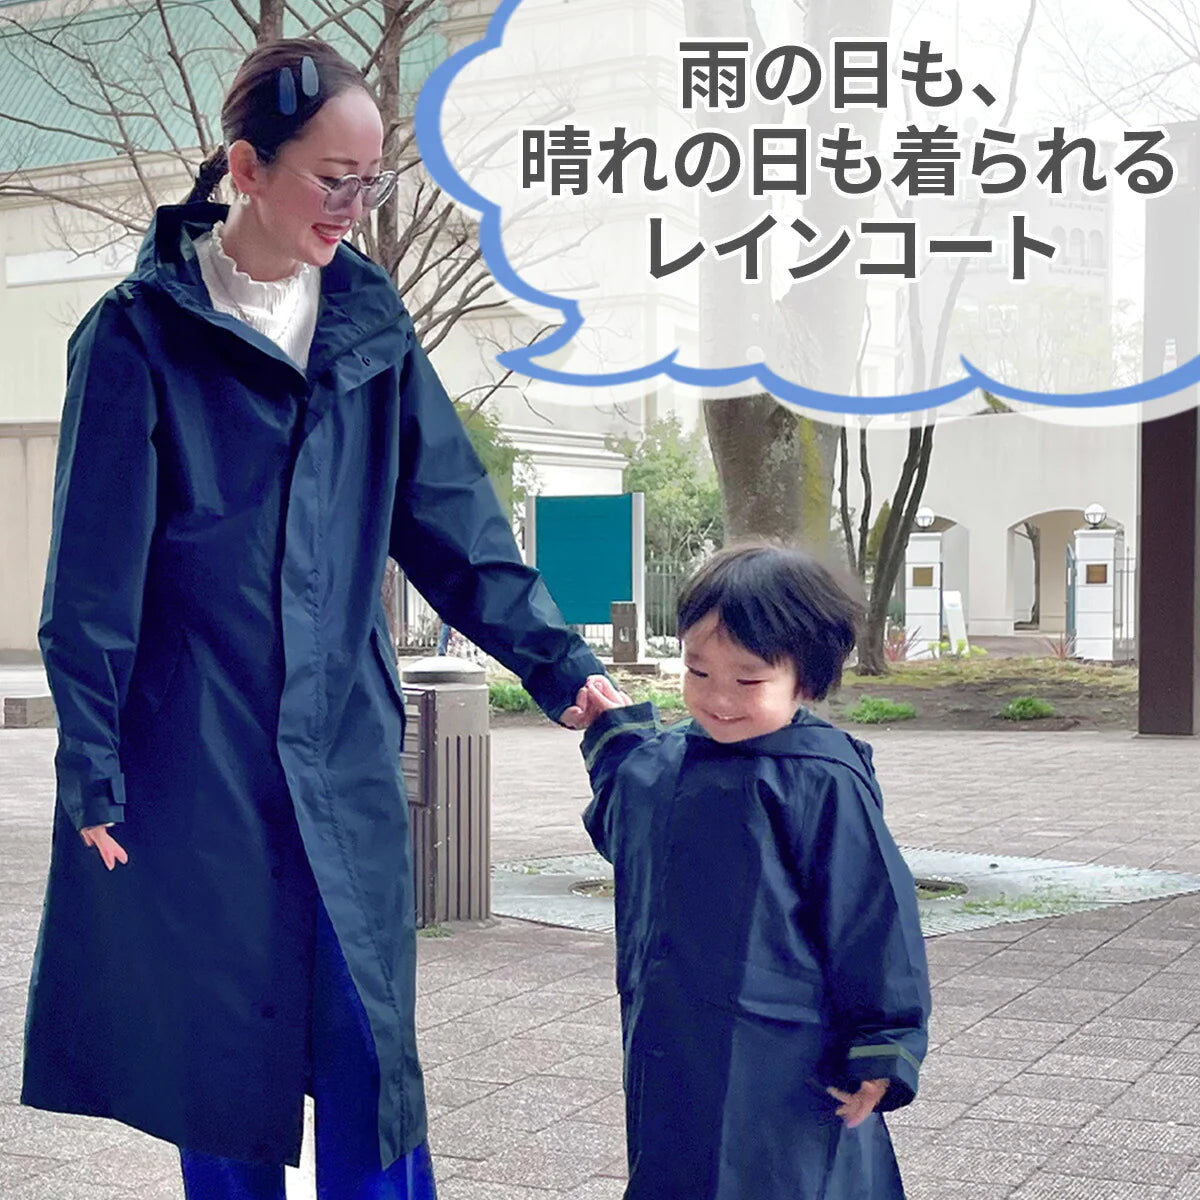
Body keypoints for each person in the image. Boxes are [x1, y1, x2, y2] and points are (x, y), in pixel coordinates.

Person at [22, 36, 617, 1200]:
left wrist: (559, 666)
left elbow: (452, 521)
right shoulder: (138, 337)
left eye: (372, 182)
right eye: (334, 180)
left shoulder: (368, 326)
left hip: (341, 748)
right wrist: (92, 766)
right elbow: (90, 589)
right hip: (196, 757)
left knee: (369, 1050)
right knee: (219, 1058)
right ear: (247, 168)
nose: (355, 208)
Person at [573, 543, 932, 1200]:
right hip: (674, 1041)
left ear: (806, 681)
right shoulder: (669, 760)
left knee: (782, 1177)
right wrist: (614, 736)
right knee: (680, 1170)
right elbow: (628, 827)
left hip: (787, 1053)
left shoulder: (819, 780)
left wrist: (885, 1045)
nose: (718, 699)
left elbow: (874, 918)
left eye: (748, 681)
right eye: (698, 671)